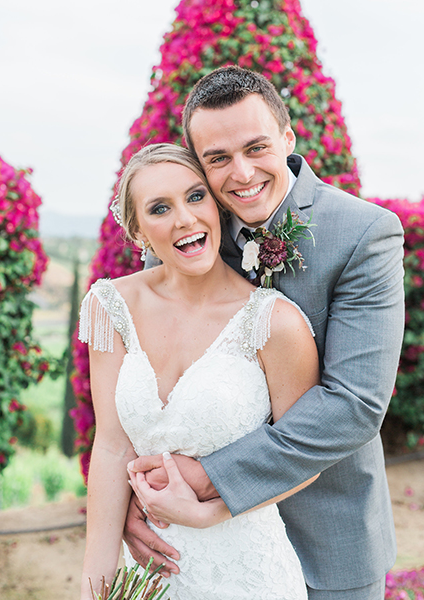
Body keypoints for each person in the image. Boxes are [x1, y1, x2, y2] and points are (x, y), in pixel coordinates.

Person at [125, 66, 405, 600]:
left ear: (288, 137)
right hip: (198, 544)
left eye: (256, 147)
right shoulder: (187, 233)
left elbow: (355, 405)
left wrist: (208, 477)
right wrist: (129, 503)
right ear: (198, 164)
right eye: (218, 158)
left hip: (328, 539)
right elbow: (138, 382)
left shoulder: (365, 234)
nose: (242, 172)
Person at [78, 143, 320, 600]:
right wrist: (96, 584)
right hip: (145, 576)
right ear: (139, 232)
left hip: (248, 575)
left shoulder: (274, 322)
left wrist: (210, 512)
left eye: (195, 197)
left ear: (217, 204)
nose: (185, 219)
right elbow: (111, 447)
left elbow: (303, 459)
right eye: (159, 208)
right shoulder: (110, 306)